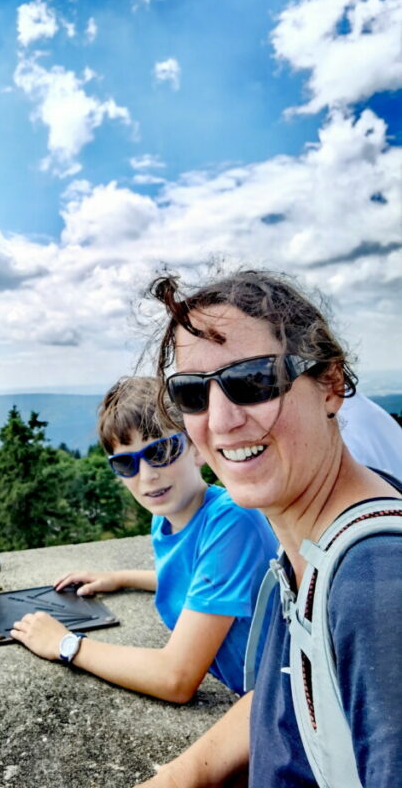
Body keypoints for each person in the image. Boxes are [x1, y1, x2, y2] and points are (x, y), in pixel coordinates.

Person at [133, 268, 402, 788]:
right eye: (191, 394)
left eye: (254, 381)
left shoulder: (377, 588)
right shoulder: (314, 547)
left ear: (330, 384)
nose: (219, 421)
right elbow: (294, 694)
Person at [10, 376, 276, 702]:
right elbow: (199, 579)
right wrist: (120, 578)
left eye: (161, 451)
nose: (147, 476)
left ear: (196, 448)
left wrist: (66, 644)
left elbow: (176, 678)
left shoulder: (232, 521)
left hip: (281, 707)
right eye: (126, 463)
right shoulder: (166, 517)